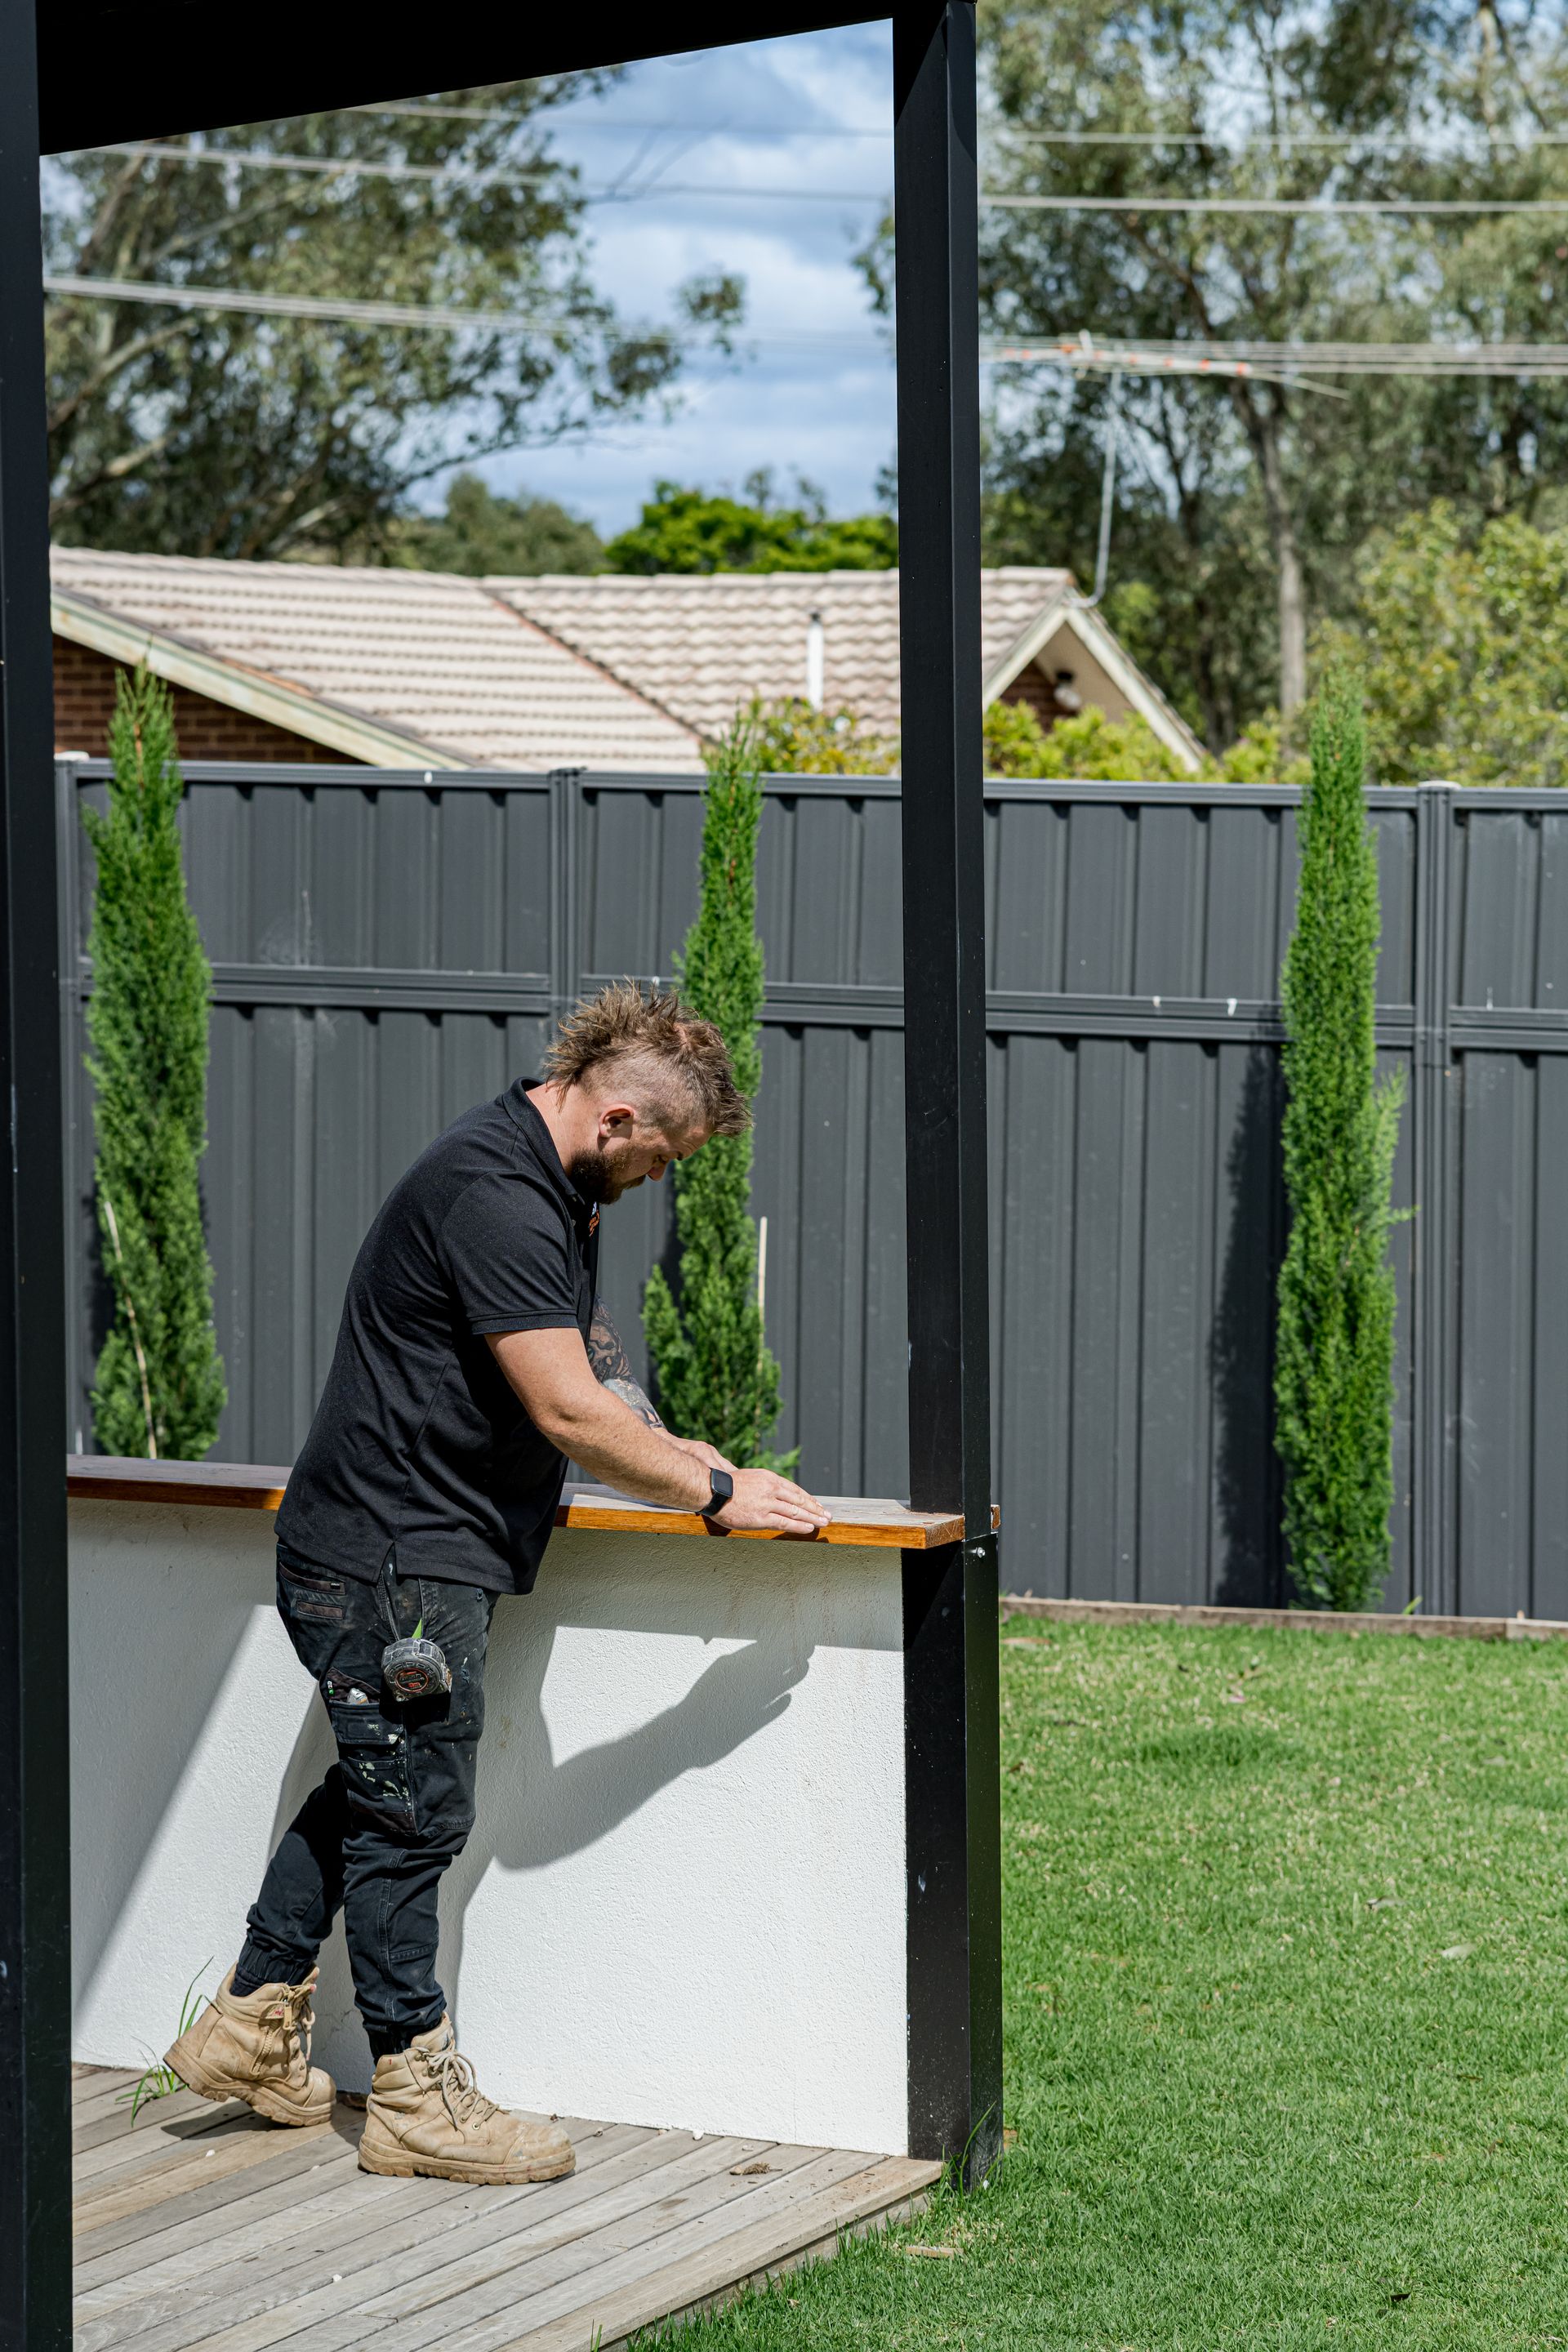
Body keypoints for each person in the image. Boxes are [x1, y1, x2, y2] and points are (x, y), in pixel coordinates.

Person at [164, 982, 829, 2185]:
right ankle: (416, 2093)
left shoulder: (542, 1176)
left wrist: (689, 1451)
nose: (661, 1179)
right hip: (392, 1563)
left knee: (381, 1787)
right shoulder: (498, 1194)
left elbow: (591, 1356)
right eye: (666, 1157)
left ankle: (251, 2023)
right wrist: (713, 1496)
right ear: (620, 1118)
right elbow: (567, 1407)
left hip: (391, 1548)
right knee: (419, 1816)